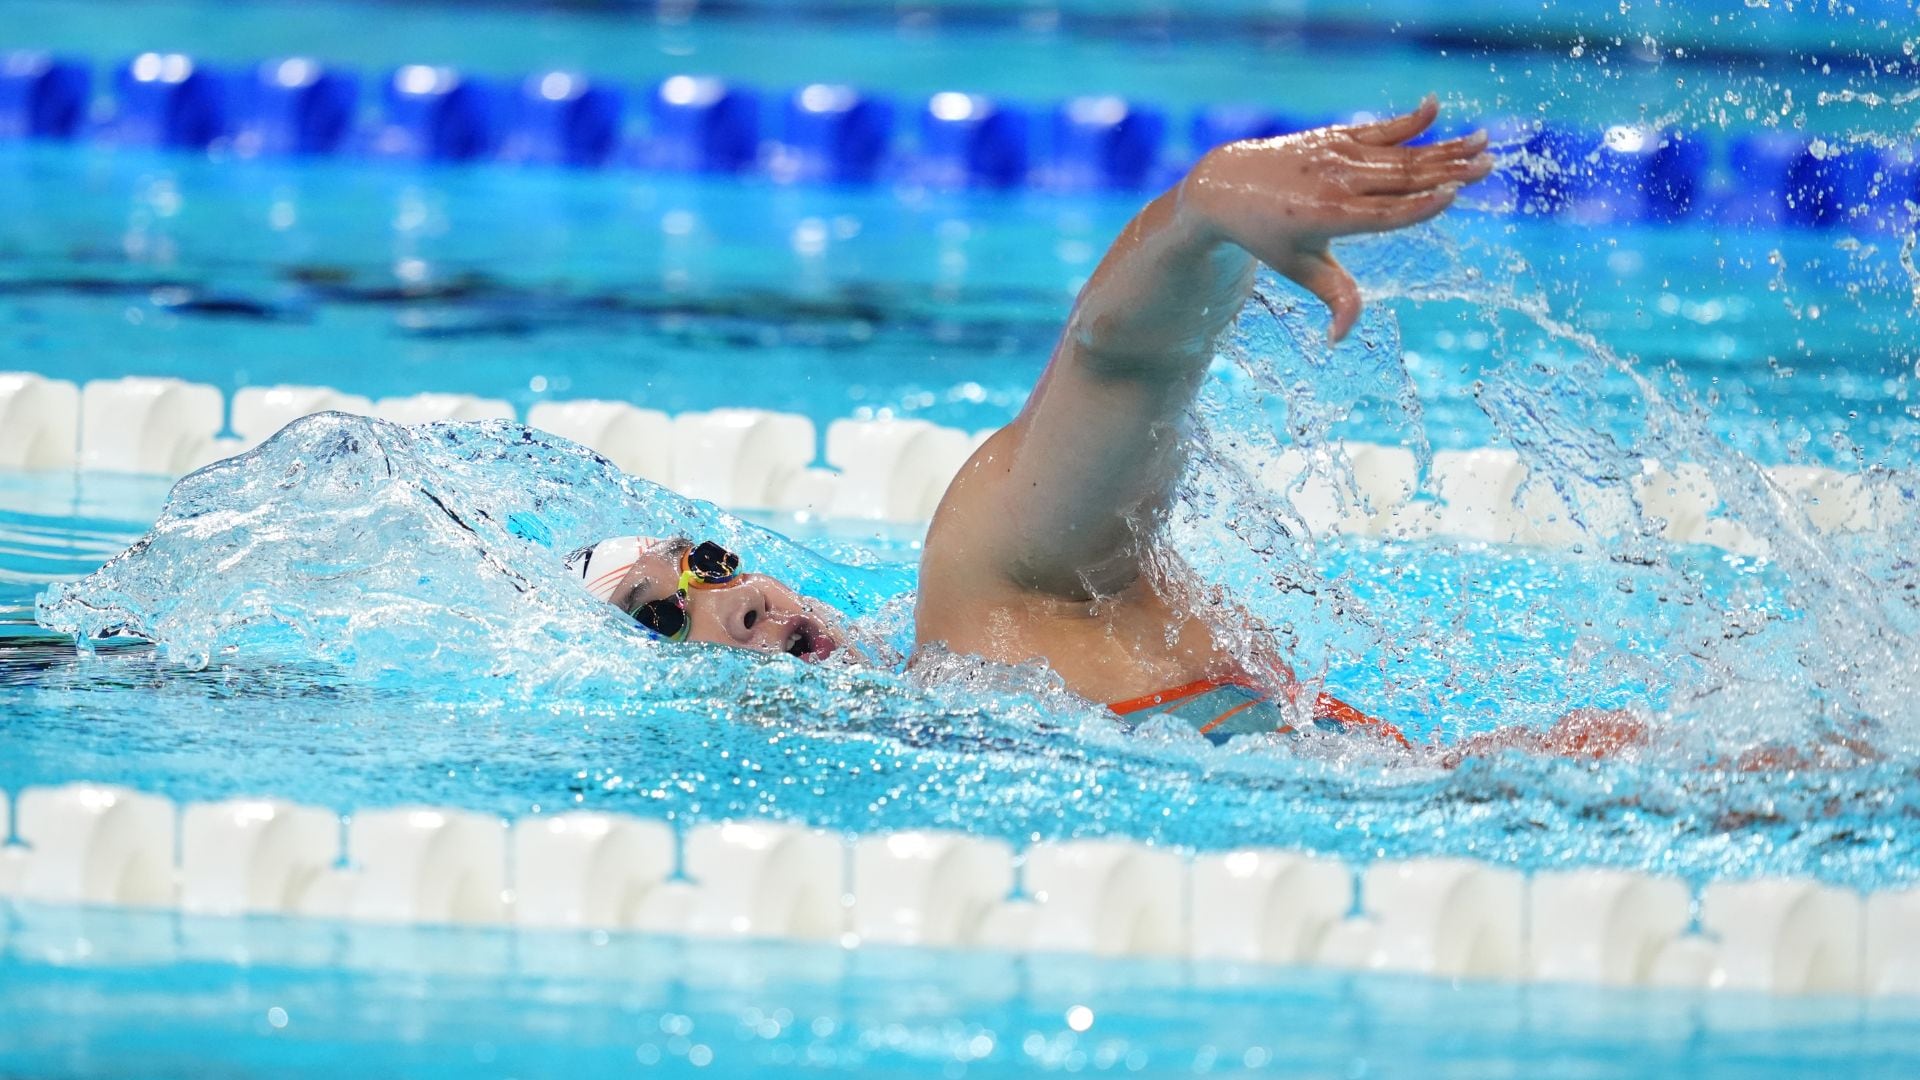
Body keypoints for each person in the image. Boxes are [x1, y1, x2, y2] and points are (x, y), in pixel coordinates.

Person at [566, 97, 1645, 757]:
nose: (733, 601)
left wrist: (1203, 215)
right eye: (664, 619)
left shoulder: (992, 604)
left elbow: (1118, 368)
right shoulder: (955, 724)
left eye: (705, 561)